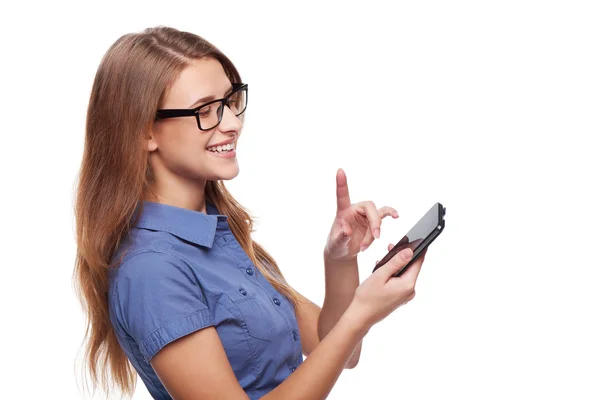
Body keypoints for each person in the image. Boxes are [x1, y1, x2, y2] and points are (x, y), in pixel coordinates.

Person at [73, 26, 428, 400]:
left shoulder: (222, 236)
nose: (233, 123)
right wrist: (361, 315)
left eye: (231, 102)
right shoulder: (152, 269)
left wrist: (340, 258)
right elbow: (345, 335)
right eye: (205, 111)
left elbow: (338, 349)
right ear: (146, 131)